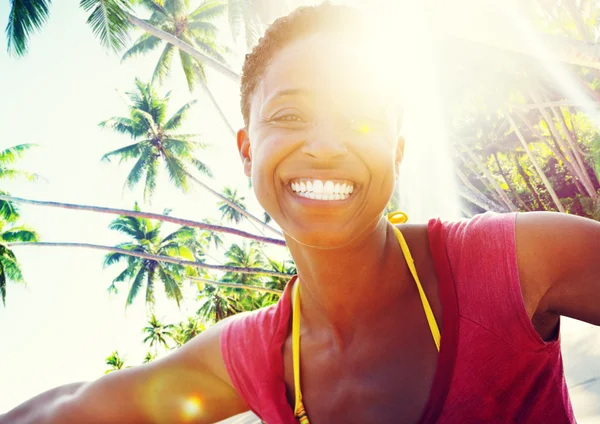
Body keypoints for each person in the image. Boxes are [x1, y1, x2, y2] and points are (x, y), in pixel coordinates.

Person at [2, 3, 599, 424]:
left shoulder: (515, 264)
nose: (325, 146)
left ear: (396, 150)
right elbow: (70, 410)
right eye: (289, 115)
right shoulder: (258, 356)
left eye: (361, 119)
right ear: (246, 150)